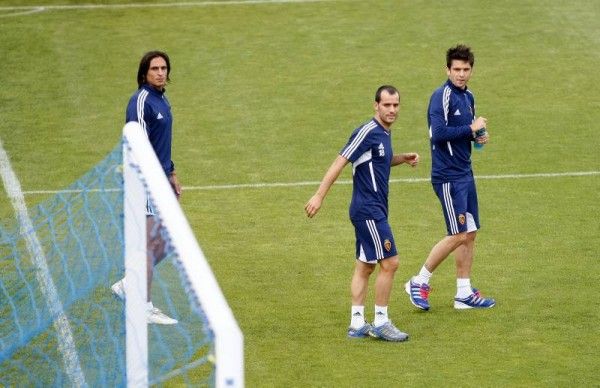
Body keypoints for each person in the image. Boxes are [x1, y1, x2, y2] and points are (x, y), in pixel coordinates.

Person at [305, 85, 419, 342]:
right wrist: (319, 195)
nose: (392, 110)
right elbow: (341, 161)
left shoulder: (384, 134)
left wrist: (401, 158)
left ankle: (357, 323)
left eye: (396, 105)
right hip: (368, 211)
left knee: (365, 266)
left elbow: (378, 159)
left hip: (373, 209)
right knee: (390, 262)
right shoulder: (367, 131)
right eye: (387, 105)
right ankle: (381, 321)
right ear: (375, 105)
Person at [405, 44, 495, 311]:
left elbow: (468, 134)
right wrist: (470, 128)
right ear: (447, 69)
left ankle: (464, 293)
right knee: (457, 234)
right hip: (447, 177)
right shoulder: (441, 96)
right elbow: (438, 133)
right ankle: (418, 281)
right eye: (456, 69)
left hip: (465, 173)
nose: (461, 74)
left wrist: (479, 136)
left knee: (470, 233)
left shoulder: (469, 98)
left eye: (466, 69)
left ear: (472, 70)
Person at [111, 50, 181, 325]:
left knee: (170, 239)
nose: (161, 72)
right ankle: (144, 305)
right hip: (143, 181)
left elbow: (162, 144)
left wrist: (172, 172)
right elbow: (138, 144)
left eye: (164, 68)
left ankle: (129, 284)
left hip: (161, 179)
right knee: (152, 241)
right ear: (144, 73)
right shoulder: (141, 101)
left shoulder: (162, 100)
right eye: (155, 68)